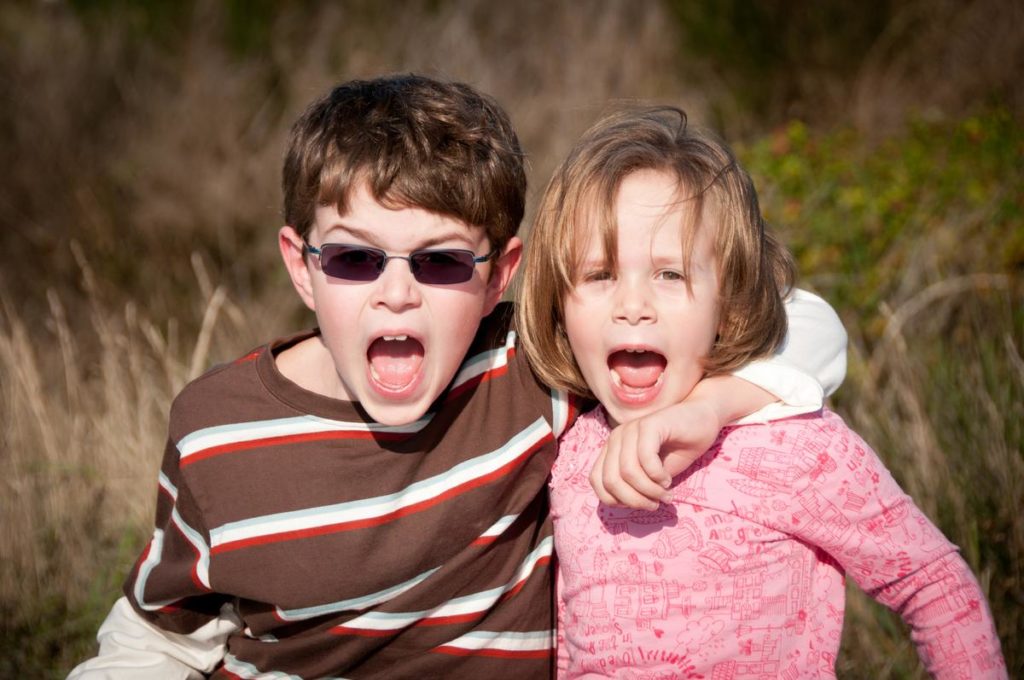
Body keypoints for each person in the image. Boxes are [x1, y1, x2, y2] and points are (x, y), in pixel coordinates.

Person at [68, 76, 846, 680]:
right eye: (354, 257)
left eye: (440, 262)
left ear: (501, 274)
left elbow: (811, 325)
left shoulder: (532, 368)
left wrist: (708, 407)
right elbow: (159, 634)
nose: (395, 292)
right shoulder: (218, 433)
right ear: (301, 268)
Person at [517, 105, 1007, 678]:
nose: (632, 307)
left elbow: (935, 586)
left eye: (670, 274)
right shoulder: (570, 447)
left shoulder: (794, 447)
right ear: (557, 301)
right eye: (600, 275)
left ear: (731, 303)